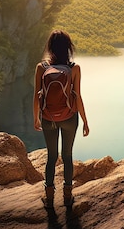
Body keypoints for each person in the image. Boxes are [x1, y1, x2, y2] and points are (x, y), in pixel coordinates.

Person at [33, 30, 89, 208]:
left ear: (50, 47)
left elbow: (36, 96)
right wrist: (85, 121)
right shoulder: (74, 68)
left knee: (51, 157)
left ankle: (49, 198)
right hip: (69, 117)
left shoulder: (41, 67)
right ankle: (67, 195)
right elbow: (78, 96)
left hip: (48, 117)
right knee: (67, 155)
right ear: (68, 47)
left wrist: (36, 118)